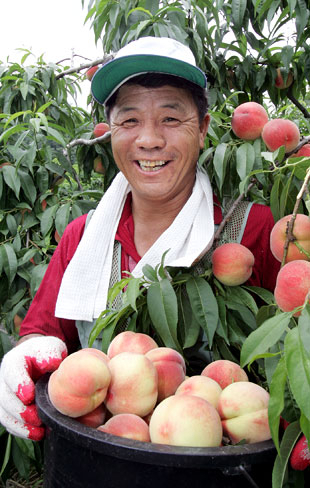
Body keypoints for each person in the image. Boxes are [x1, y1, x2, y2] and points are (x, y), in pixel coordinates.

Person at [0, 37, 280, 441]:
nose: (149, 140)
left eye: (170, 118)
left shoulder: (255, 232)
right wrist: (24, 359)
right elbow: (44, 334)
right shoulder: (84, 237)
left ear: (202, 129)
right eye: (129, 120)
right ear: (110, 132)